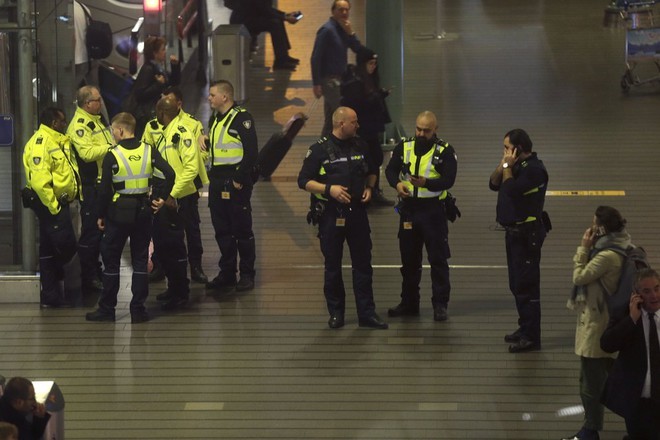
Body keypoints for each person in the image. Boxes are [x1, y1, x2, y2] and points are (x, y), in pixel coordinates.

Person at [297, 106, 388, 330]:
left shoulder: (360, 145)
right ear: (341, 124)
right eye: (354, 122)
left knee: (363, 265)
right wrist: (330, 189)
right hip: (330, 215)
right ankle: (336, 313)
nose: (358, 125)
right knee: (333, 267)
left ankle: (366, 313)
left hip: (357, 214)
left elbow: (373, 169)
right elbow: (303, 181)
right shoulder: (318, 150)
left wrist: (369, 187)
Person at [86, 112, 174, 323]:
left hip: (117, 213)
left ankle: (107, 309)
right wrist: (160, 198)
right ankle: (138, 309)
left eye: (114, 131)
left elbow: (105, 190)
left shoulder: (112, 155)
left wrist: (99, 215)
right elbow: (169, 174)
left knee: (111, 261)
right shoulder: (148, 150)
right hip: (143, 211)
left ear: (121, 130)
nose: (113, 134)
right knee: (140, 261)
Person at [562, 206, 629, 440]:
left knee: (589, 384)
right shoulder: (623, 245)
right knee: (622, 378)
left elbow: (579, 276)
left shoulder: (606, 256)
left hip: (597, 325)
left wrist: (583, 248)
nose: (590, 227)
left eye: (593, 223)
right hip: (612, 323)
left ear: (601, 228)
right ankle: (637, 423)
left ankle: (590, 430)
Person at [384, 111, 457, 322]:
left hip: (433, 212)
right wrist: (397, 184)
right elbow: (390, 171)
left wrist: (427, 183)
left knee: (438, 259)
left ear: (435, 129)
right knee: (408, 260)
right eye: (418, 128)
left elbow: (448, 180)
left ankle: (440, 304)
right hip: (409, 210)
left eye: (426, 130)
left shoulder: (444, 151)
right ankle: (409, 303)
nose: (421, 133)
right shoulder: (404, 146)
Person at [489, 128, 548, 353]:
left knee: (527, 286)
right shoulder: (515, 167)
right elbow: (493, 184)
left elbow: (510, 189)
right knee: (516, 284)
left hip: (527, 235)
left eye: (507, 148)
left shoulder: (534, 170)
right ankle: (524, 328)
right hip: (513, 233)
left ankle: (532, 337)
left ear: (518, 148)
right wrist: (504, 165)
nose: (504, 152)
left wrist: (507, 168)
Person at [142, 87, 209, 284]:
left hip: (185, 188)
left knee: (191, 227)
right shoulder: (152, 126)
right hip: (163, 186)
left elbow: (200, 156)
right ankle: (161, 266)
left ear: (178, 104)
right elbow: (147, 152)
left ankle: (195, 266)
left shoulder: (191, 126)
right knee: (162, 230)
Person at [22, 107, 81, 308]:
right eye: (62, 121)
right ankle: (60, 293)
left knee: (49, 248)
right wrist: (54, 207)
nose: (65, 124)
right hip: (51, 205)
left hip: (57, 204)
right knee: (66, 248)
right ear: (54, 123)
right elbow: (40, 182)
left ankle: (51, 295)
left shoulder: (57, 141)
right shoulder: (42, 143)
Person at [148, 96, 202, 311]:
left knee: (175, 245)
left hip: (178, 197)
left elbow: (191, 168)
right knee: (165, 244)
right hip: (168, 194)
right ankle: (174, 287)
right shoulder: (168, 132)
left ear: (162, 113)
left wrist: (173, 195)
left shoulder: (181, 133)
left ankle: (181, 292)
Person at [205, 80, 258, 292]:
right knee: (222, 229)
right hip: (217, 180)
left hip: (235, 182)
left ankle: (246, 274)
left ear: (224, 97)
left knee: (242, 230)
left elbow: (251, 152)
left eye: (212, 95)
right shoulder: (215, 118)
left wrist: (239, 178)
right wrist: (204, 138)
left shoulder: (242, 118)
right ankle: (227, 272)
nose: (209, 98)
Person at [601, 268, 660, 440]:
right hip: (636, 397)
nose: (654, 295)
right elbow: (607, 344)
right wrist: (631, 320)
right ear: (637, 294)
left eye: (657, 288)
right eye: (647, 291)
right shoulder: (624, 313)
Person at [67, 85, 114, 295]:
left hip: (104, 183)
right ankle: (89, 276)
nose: (101, 102)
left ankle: (98, 269)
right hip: (91, 187)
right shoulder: (79, 125)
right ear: (87, 104)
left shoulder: (98, 119)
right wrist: (113, 148)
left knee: (102, 231)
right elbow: (86, 153)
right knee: (91, 233)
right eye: (97, 99)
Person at [340, 47, 392, 205]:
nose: (373, 67)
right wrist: (376, 97)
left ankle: (371, 192)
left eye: (375, 63)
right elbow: (357, 104)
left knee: (374, 158)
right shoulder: (355, 83)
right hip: (362, 130)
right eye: (370, 63)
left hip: (369, 129)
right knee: (370, 160)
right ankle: (368, 193)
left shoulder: (366, 79)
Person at [311, 0, 365, 136]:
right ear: (333, 11)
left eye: (347, 9)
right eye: (341, 9)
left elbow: (358, 49)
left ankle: (323, 147)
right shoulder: (327, 31)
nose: (345, 12)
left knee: (331, 119)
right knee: (342, 115)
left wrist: (351, 32)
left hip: (340, 80)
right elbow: (316, 57)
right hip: (330, 81)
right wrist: (316, 83)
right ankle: (344, 145)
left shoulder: (344, 29)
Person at [129, 36, 181, 139]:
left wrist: (175, 66)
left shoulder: (158, 68)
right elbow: (139, 94)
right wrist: (158, 85)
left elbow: (173, 83)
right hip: (147, 117)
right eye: (162, 49)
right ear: (154, 53)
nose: (165, 52)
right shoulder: (148, 69)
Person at [229, 0, 301, 70]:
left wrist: (285, 15)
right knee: (275, 24)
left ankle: (283, 56)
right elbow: (263, 9)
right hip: (243, 20)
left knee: (277, 21)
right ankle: (281, 61)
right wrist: (285, 17)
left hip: (250, 17)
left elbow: (266, 8)